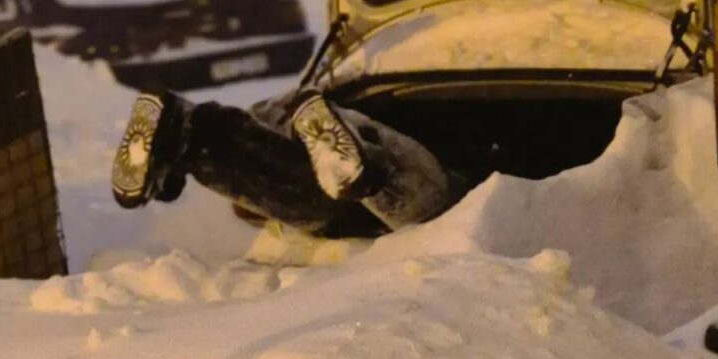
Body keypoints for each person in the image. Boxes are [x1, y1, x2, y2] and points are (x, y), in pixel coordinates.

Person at [110, 84, 466, 238]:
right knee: (435, 211)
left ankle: (193, 134)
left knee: (313, 197)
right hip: (427, 177)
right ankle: (371, 168)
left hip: (297, 133)